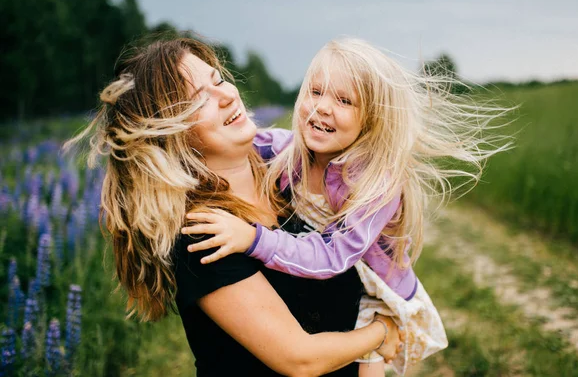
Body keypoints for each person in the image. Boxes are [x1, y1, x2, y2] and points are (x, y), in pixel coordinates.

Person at [64, 36, 403, 376]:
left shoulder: (290, 181)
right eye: (200, 100)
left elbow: (362, 276)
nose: (227, 95)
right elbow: (300, 358)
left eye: (219, 80)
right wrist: (381, 333)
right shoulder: (203, 232)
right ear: (172, 135)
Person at [183, 38, 512, 376]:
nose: (323, 107)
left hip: (373, 285)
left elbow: (331, 257)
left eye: (343, 100)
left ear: (370, 120)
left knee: (368, 360)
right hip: (338, 277)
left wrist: (254, 239)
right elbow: (253, 143)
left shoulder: (374, 186)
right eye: (315, 91)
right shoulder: (293, 154)